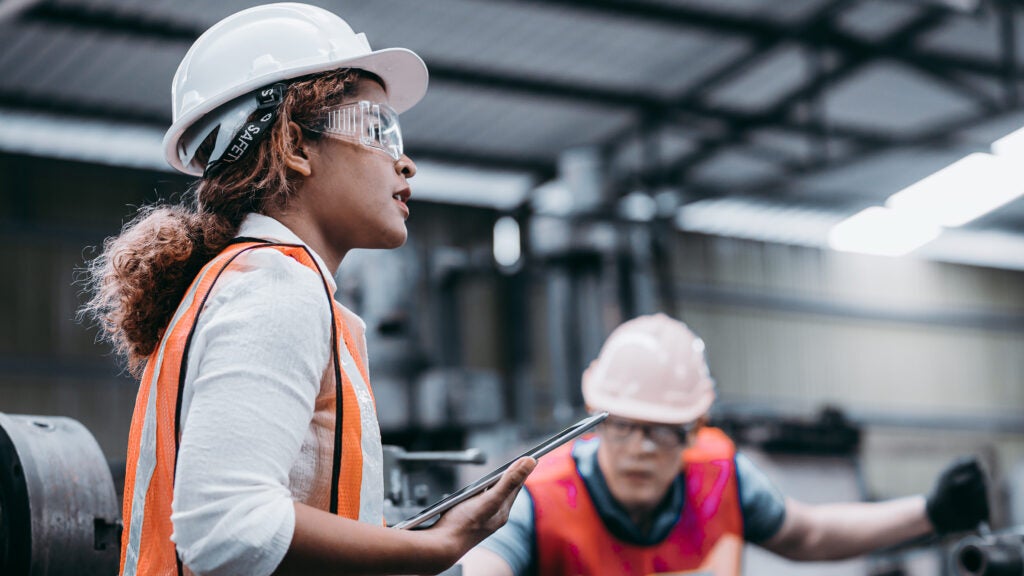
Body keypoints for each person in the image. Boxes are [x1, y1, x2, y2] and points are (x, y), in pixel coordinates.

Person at [80, 4, 534, 576]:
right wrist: (432, 550)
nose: (406, 163)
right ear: (295, 145)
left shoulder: (249, 281)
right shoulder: (274, 287)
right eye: (376, 129)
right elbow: (225, 526)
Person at [459, 313, 990, 576]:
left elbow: (808, 533)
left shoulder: (722, 478)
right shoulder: (541, 498)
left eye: (664, 430)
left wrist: (933, 512)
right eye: (623, 424)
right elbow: (488, 563)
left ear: (693, 429)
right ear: (596, 421)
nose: (642, 447)